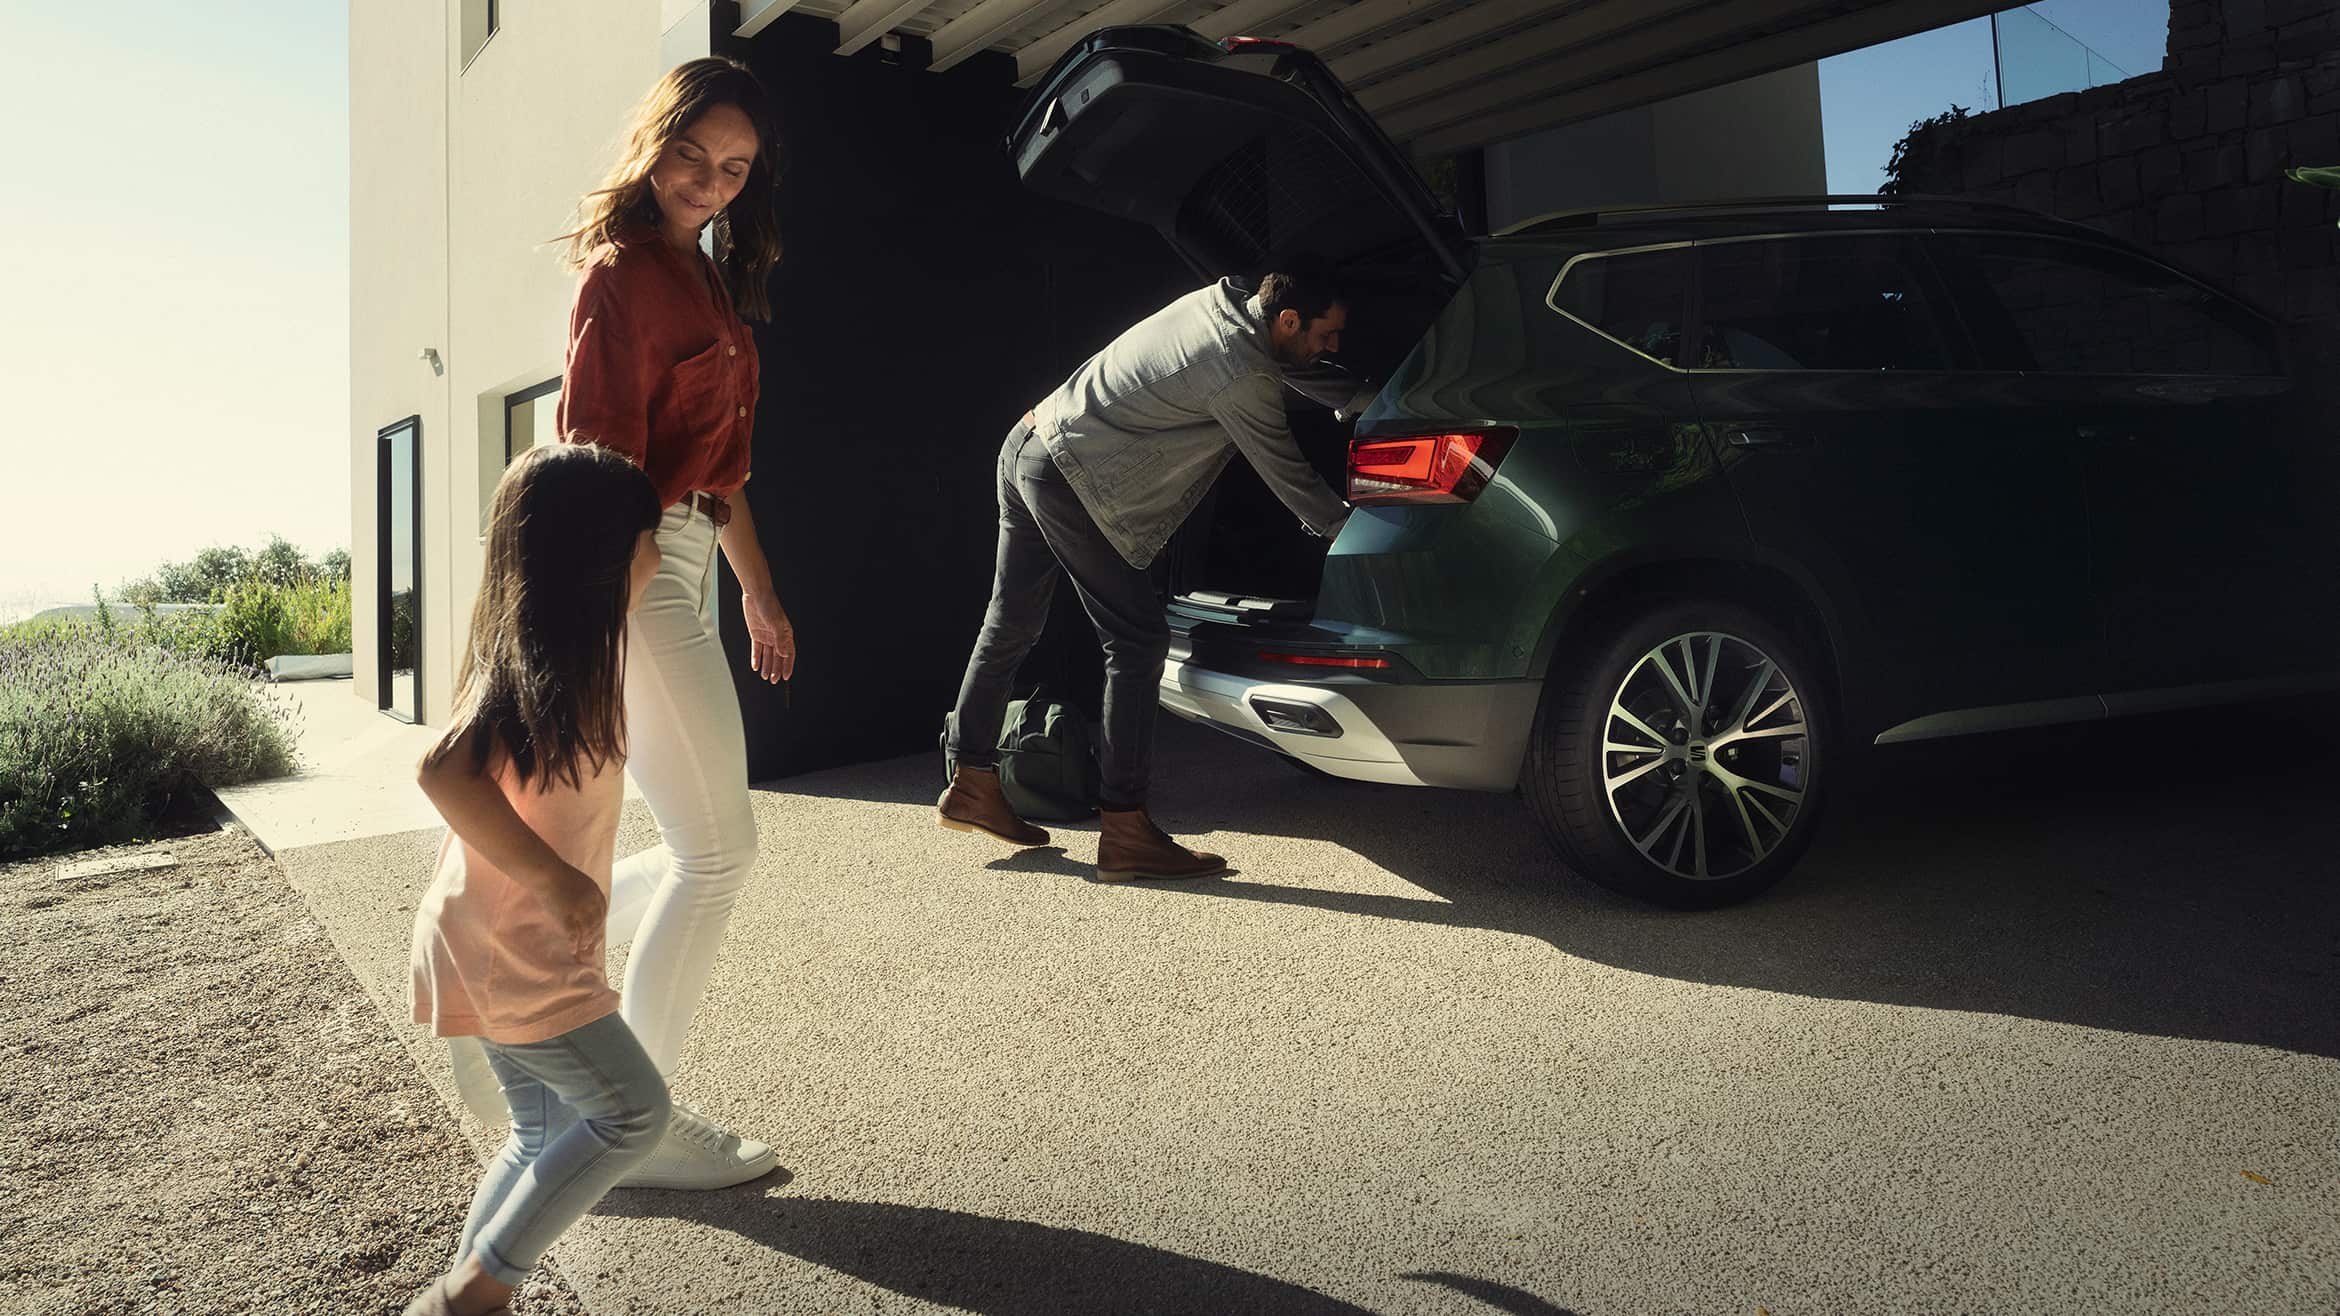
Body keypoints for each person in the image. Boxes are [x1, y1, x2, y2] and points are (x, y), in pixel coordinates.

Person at [553, 55, 792, 1189]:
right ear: (658, 144)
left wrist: (758, 589)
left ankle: (562, 924)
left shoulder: (709, 282)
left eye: (734, 168)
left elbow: (722, 473)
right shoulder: (620, 276)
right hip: (635, 563)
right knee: (719, 849)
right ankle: (632, 1127)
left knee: (704, 844)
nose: (709, 180)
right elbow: (597, 465)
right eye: (694, 155)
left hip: (688, 556)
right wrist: (614, 607)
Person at [940, 268, 1367, 880]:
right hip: (1067, 472)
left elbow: (1285, 366)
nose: (1332, 349)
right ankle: (1126, 829)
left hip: (1027, 444)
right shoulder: (1241, 370)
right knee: (1136, 639)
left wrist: (1364, 399)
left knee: (1009, 624)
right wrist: (1351, 532)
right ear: (1289, 320)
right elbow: (1287, 472)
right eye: (1326, 336)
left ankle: (971, 782)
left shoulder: (1225, 310)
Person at [402, 442, 671, 1316]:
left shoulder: (581, 659)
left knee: (541, 1130)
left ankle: (470, 1297)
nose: (658, 556)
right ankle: (469, 1297)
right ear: (598, 554)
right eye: (647, 536)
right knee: (633, 1114)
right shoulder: (529, 667)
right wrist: (557, 882)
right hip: (509, 949)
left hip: (500, 942)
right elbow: (442, 771)